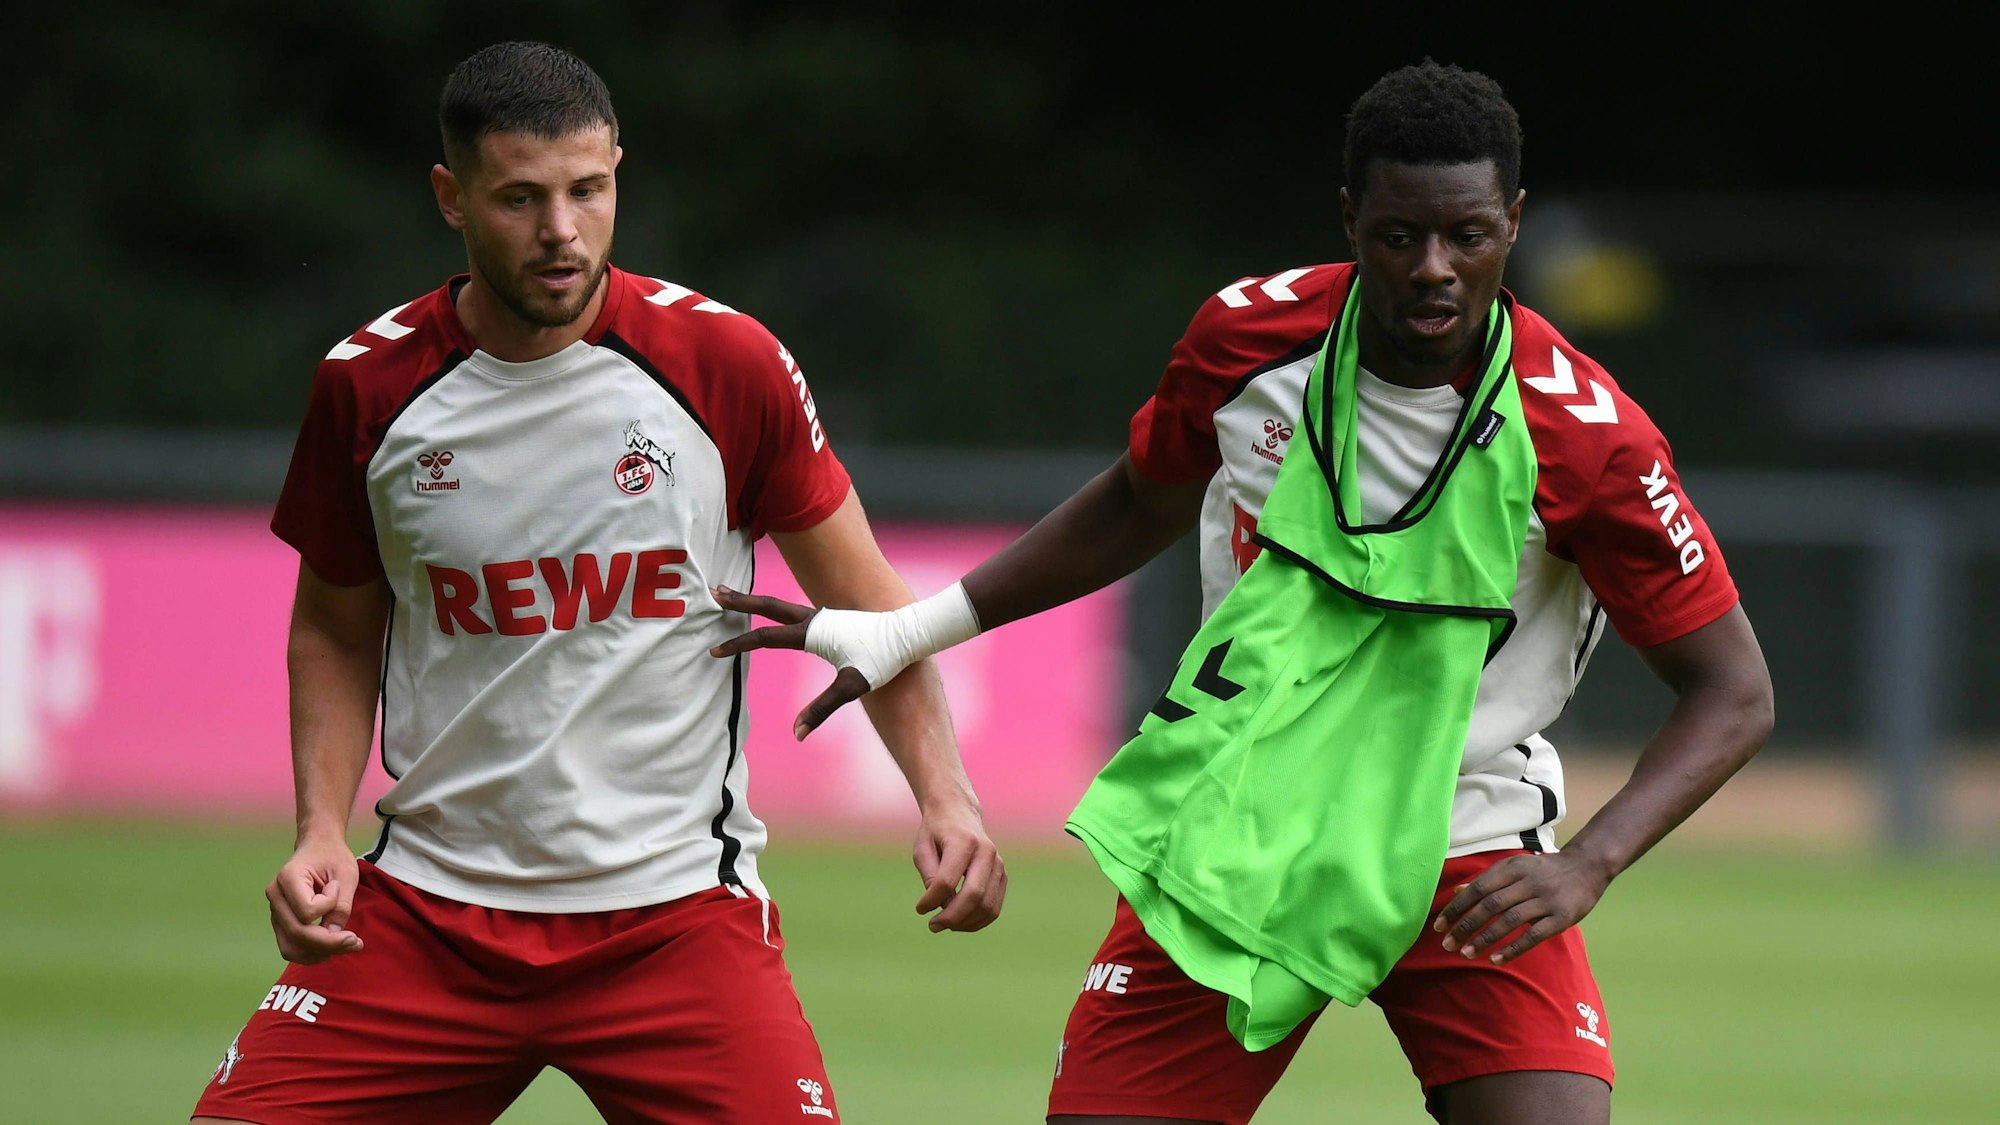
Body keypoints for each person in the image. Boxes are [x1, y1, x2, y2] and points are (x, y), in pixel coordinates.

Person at [712, 59, 1774, 1125]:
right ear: (1350, 219)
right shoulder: (1246, 340)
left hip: (1467, 839)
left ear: (1514, 221)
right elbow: (1139, 502)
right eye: (1398, 236)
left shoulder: (1587, 436)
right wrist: (913, 627)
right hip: (1242, 824)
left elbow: (1731, 690)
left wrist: (1586, 865)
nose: (1433, 269)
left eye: (1468, 235)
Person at [192, 40, 1005, 1125]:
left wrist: (945, 797)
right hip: (427, 922)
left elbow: (873, 613)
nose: (561, 230)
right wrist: (319, 829)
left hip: (673, 928)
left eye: (588, 189)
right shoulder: (369, 389)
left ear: (619, 167)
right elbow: (336, 630)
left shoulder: (727, 366)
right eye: (520, 198)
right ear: (451, 196)